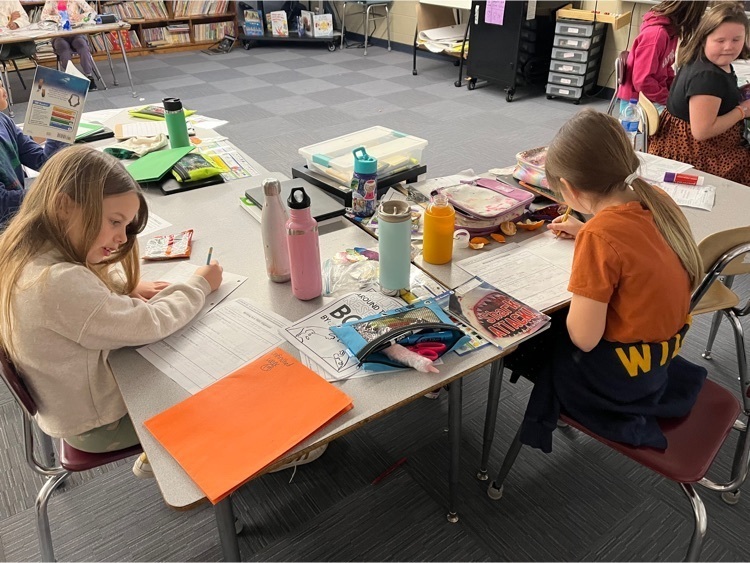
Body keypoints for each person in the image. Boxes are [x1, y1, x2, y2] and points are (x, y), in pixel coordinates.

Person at [0, 145, 223, 477]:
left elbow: (84, 291)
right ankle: (181, 450)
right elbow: (151, 321)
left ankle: (165, 447)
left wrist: (123, 288)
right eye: (115, 222)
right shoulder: (58, 284)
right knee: (220, 376)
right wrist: (199, 285)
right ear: (64, 205)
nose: (121, 238)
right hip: (101, 423)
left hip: (69, 403)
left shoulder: (25, 248)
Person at [514, 109, 706, 453]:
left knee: (526, 337)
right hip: (656, 361)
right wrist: (586, 229)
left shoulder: (600, 237)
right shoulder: (656, 200)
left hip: (621, 382)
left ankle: (541, 417)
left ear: (569, 190)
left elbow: (584, 339)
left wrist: (588, 247)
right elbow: (633, 246)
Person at [648, 2, 750, 185]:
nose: (729, 47)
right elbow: (702, 131)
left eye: (737, 39)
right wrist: (742, 110)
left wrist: (739, 93)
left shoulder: (705, 59)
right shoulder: (708, 77)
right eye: (720, 41)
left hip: (686, 145)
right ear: (705, 38)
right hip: (692, 154)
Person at [617, 0, 708, 113]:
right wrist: (669, 100)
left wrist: (676, 90)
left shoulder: (672, 32)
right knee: (688, 121)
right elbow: (642, 81)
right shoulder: (656, 35)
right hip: (637, 103)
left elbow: (666, 67)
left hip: (652, 96)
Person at [0, 83, 66, 227]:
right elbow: (2, 204)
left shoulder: (4, 121)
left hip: (16, 214)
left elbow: (44, 162)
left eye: (3, 85)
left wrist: (58, 128)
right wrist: (49, 196)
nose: (5, 92)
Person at [41, 0, 98, 89]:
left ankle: (89, 75)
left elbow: (92, 12)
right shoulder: (50, 2)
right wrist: (59, 18)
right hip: (59, 35)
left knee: (82, 45)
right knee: (63, 48)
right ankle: (70, 77)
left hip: (75, 33)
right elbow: (43, 17)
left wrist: (81, 16)